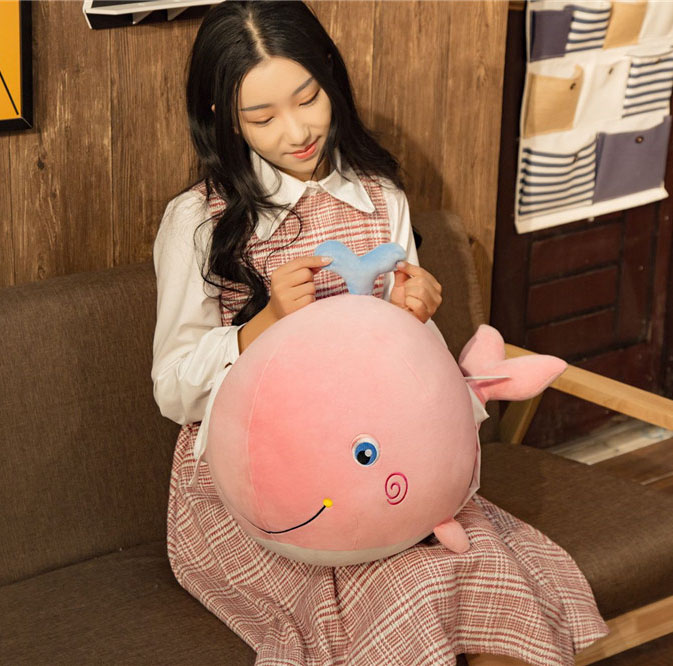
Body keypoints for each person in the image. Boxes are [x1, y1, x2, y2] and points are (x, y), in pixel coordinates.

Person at [151, 2, 608, 664]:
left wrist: (414, 315)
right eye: (262, 117)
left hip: (390, 461)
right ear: (222, 115)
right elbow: (173, 389)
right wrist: (264, 325)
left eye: (308, 98)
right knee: (412, 586)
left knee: (484, 569)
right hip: (264, 485)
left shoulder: (379, 196)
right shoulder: (199, 221)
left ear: (329, 77)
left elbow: (403, 370)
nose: (297, 131)